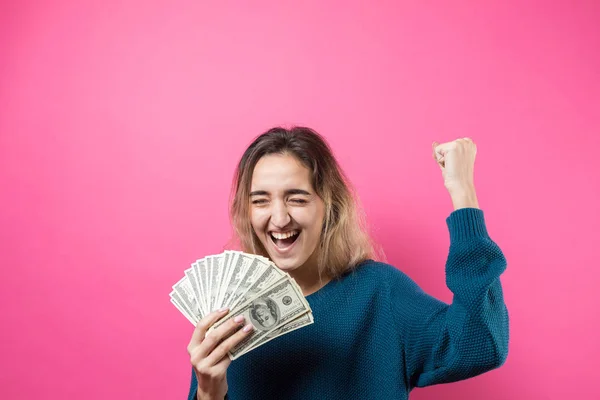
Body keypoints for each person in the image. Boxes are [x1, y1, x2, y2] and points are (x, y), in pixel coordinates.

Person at [185, 126, 509, 400]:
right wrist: (208, 392)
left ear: (329, 205)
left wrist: (462, 192)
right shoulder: (227, 311)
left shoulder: (380, 292)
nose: (279, 218)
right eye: (261, 201)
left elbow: (482, 343)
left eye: (297, 198)